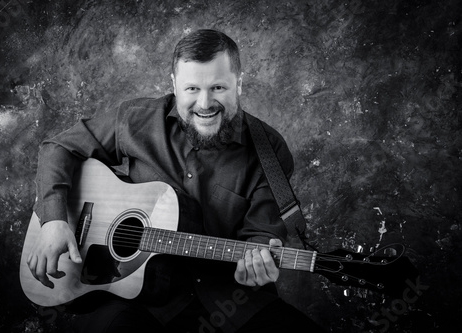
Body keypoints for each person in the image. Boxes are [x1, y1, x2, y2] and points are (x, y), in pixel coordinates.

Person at [27, 29, 324, 332]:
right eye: (192, 88)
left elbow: (261, 237)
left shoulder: (269, 151)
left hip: (228, 297)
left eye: (218, 87)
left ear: (239, 84)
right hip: (131, 292)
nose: (205, 103)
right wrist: (54, 219)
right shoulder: (137, 118)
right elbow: (59, 147)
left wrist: (258, 264)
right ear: (174, 85)